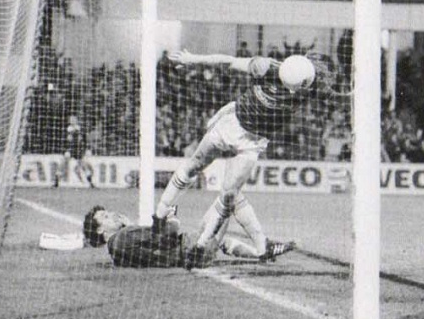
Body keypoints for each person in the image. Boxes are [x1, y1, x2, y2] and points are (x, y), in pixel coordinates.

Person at [152, 50, 327, 268]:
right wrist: (193, 59)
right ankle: (160, 215)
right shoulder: (266, 67)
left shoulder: (309, 87)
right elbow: (227, 61)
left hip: (251, 143)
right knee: (195, 166)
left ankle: (206, 246)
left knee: (229, 196)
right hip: (232, 124)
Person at [82, 205, 275, 268]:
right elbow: (169, 233)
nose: (113, 215)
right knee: (229, 198)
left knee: (219, 236)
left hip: (186, 254)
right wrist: (171, 215)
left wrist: (132, 226)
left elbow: (148, 248)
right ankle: (264, 248)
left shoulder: (115, 253)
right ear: (100, 230)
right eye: (105, 217)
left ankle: (261, 254)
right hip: (192, 249)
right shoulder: (123, 236)